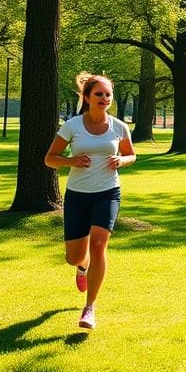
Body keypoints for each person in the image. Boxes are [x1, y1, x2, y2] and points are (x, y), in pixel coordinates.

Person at [44, 72, 136, 329]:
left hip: (108, 193)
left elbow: (132, 155)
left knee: (98, 245)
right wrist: (71, 161)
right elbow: (50, 158)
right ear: (86, 97)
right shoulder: (72, 126)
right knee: (75, 257)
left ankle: (89, 308)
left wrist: (122, 160)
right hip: (77, 196)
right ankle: (82, 267)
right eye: (99, 94)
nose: (105, 98)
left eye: (108, 94)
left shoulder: (119, 126)